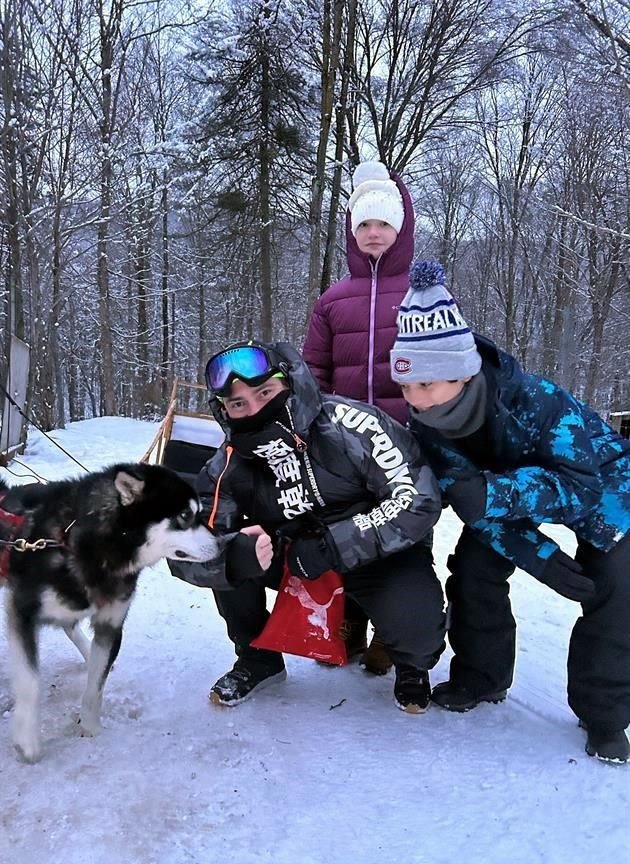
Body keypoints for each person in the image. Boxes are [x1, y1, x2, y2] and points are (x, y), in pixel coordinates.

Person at [388, 259, 630, 764]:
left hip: (605, 483)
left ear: (463, 373)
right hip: (507, 491)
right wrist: (536, 554)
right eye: (406, 387)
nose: (415, 400)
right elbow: (473, 504)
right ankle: (482, 676)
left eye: (426, 385)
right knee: (473, 571)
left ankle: (604, 713)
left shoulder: (538, 401)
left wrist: (497, 493)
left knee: (616, 587)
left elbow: (580, 489)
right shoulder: (430, 427)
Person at [168, 340, 446, 714]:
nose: (255, 409)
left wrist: (336, 543)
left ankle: (410, 665)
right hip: (293, 559)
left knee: (417, 630)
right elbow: (185, 543)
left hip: (376, 552)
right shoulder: (228, 462)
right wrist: (231, 557)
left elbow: (417, 498)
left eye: (264, 392)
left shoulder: (353, 423)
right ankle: (257, 658)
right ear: (224, 411)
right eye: (238, 404)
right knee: (229, 555)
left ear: (290, 383)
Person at [303, 160, 414, 671]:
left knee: (401, 538)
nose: (374, 233)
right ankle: (346, 630)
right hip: (344, 450)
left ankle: (391, 636)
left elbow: (449, 374)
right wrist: (312, 433)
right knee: (346, 535)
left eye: (384, 224)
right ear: (352, 230)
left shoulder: (423, 295)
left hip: (405, 449)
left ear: (401, 229)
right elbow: (313, 374)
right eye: (364, 224)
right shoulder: (333, 300)